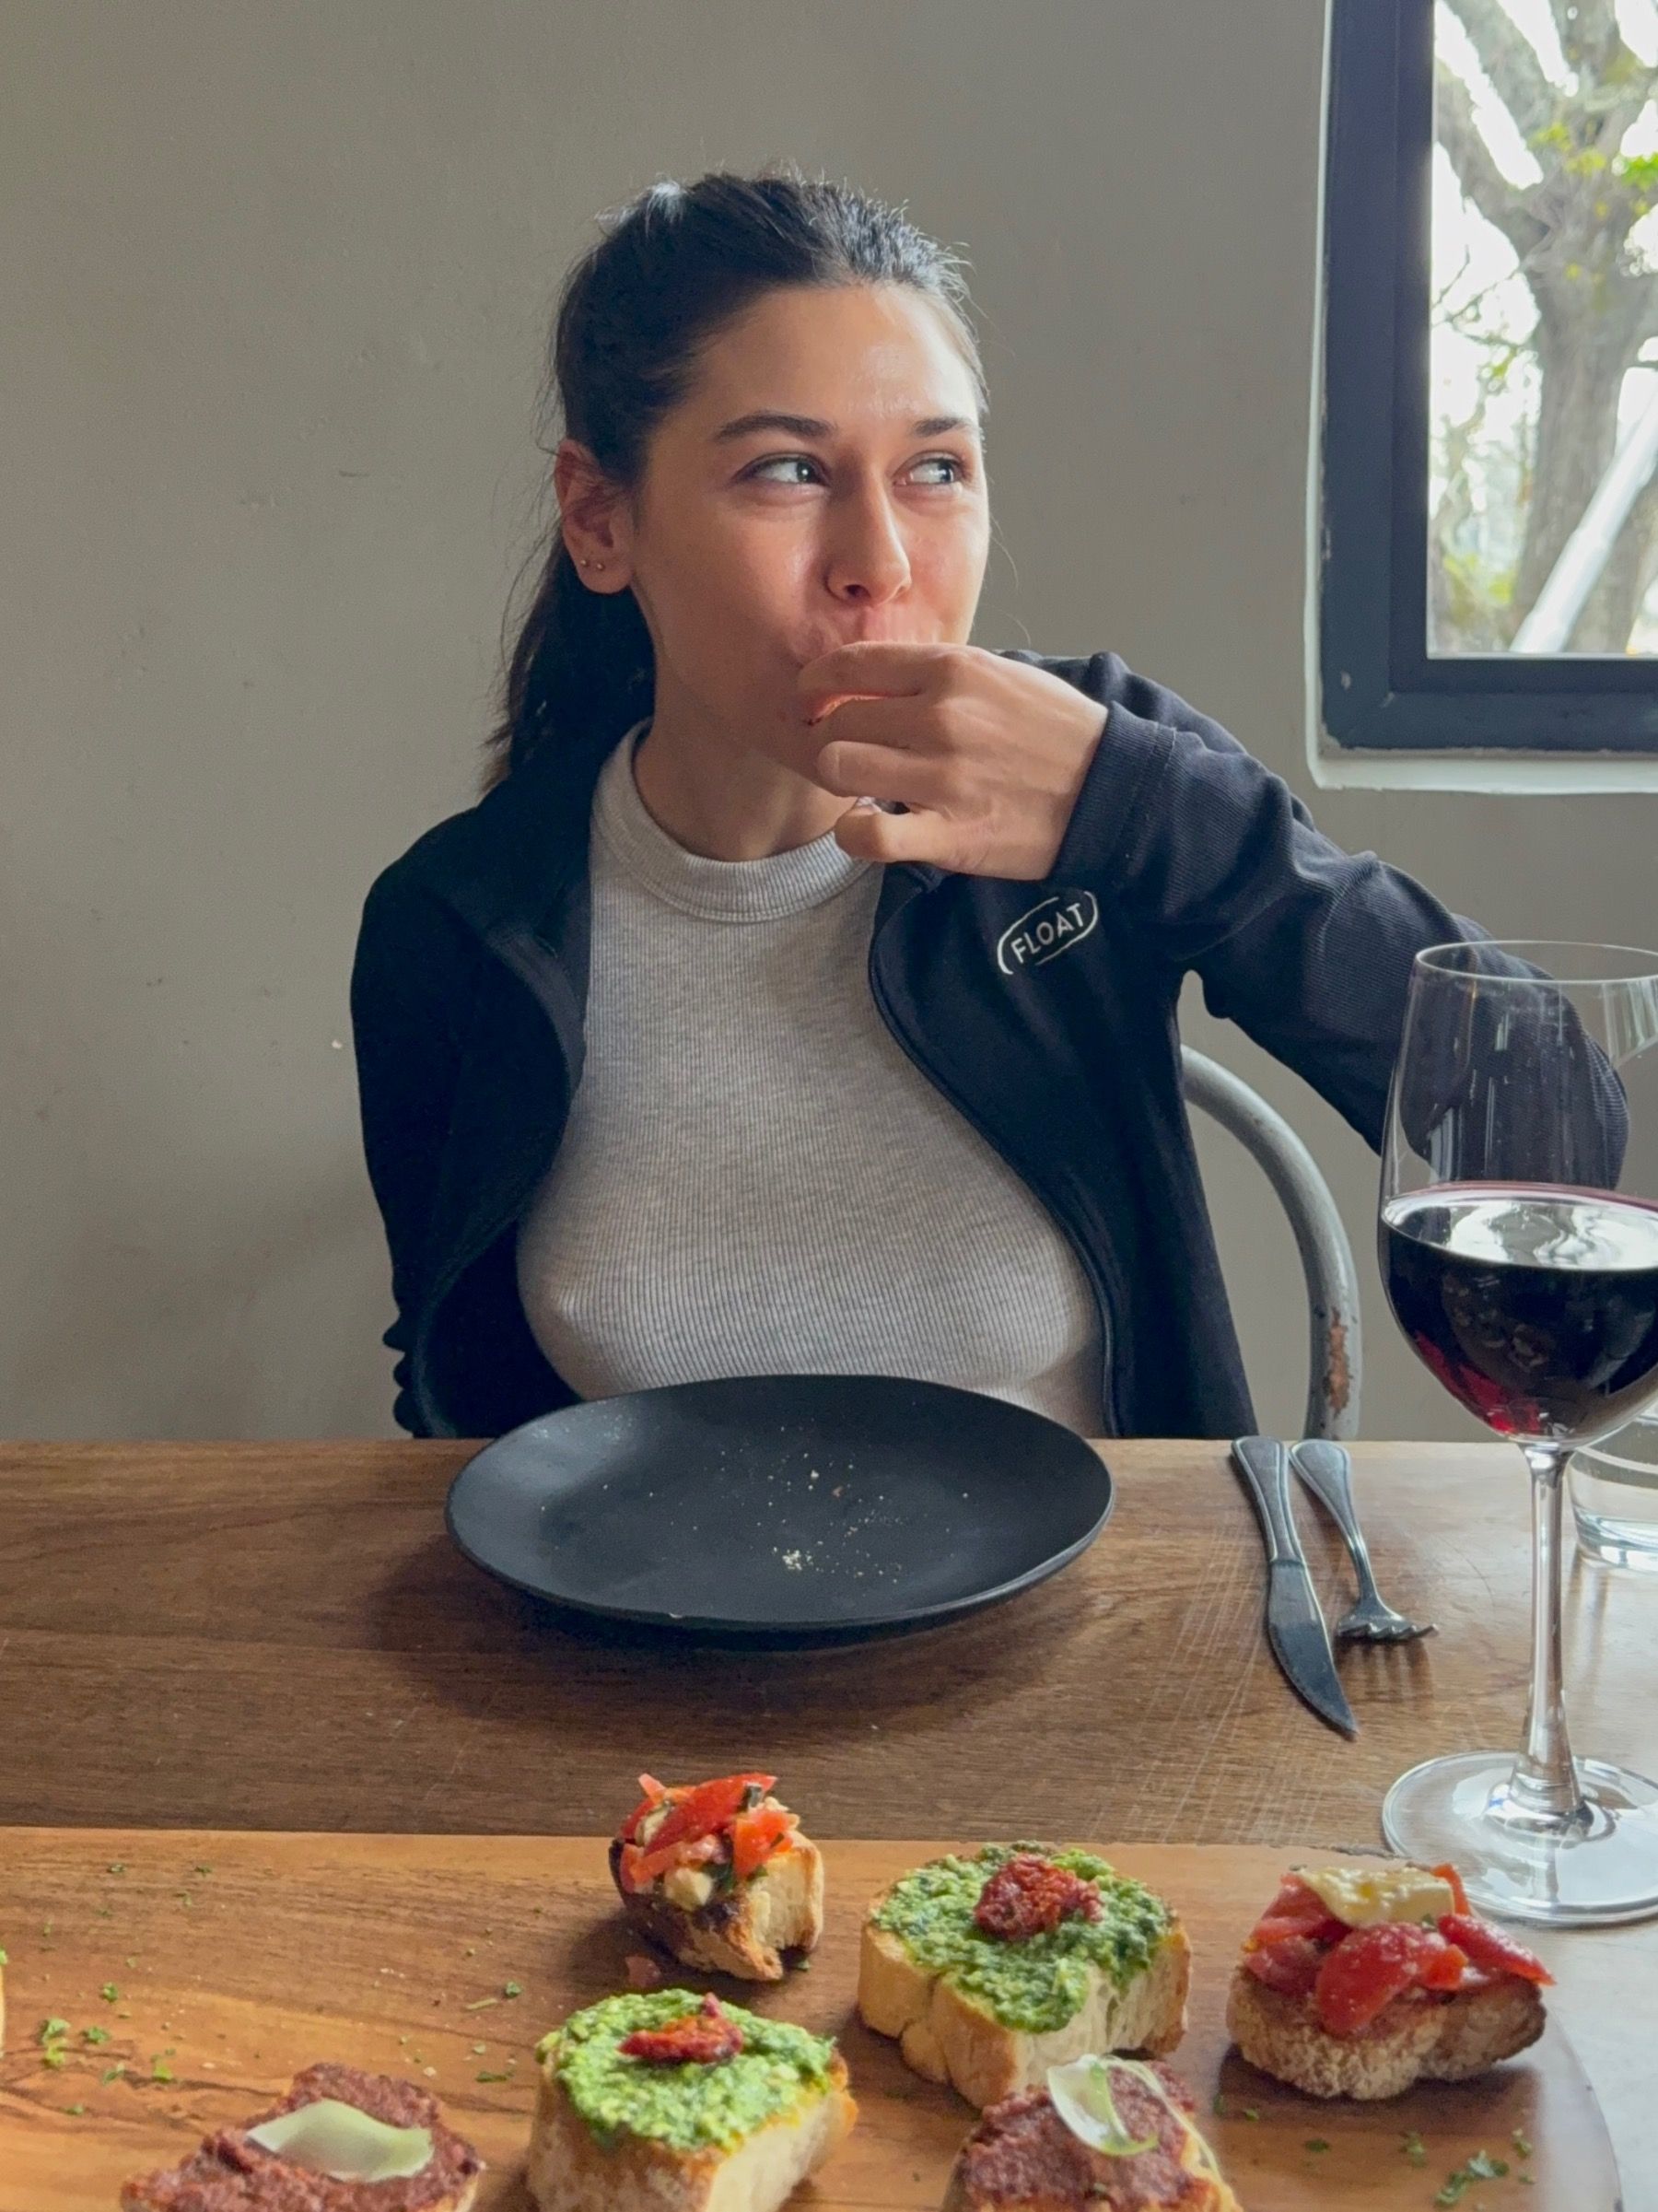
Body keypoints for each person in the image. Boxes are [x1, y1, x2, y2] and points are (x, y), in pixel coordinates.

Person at [349, 164, 1479, 1444]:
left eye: (936, 469)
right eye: (787, 469)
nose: (879, 565)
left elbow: (1541, 1125)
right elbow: (457, 1405)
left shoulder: (1093, 773)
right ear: (600, 519)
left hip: (1104, 1573)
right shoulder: (461, 922)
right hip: (645, 1582)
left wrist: (1140, 811)